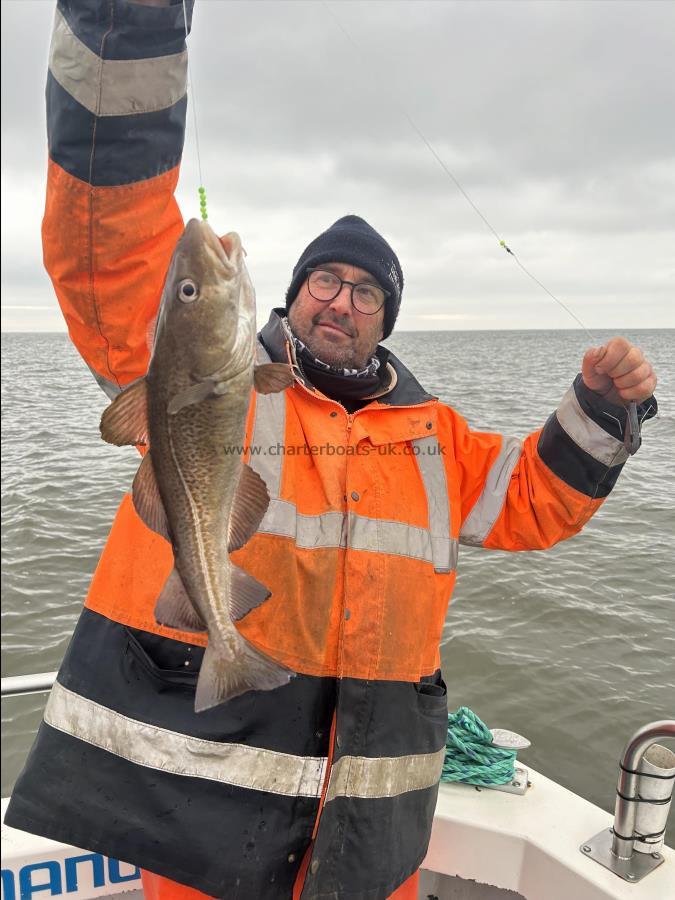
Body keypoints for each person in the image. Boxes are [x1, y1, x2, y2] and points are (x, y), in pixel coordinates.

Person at [6, 1, 658, 899]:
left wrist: (597, 409)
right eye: (323, 279)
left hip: (368, 833)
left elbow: (531, 503)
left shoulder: (435, 437)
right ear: (287, 295)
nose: (340, 301)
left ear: (385, 319)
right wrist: (131, 25)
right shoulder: (202, 370)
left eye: (364, 291)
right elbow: (107, 250)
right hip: (203, 819)